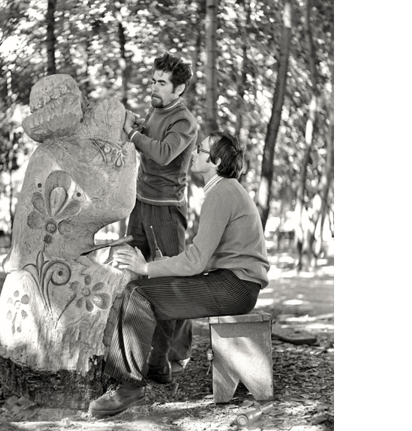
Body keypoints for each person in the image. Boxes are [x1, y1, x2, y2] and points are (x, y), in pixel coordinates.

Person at [88, 131, 271, 418]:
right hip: (233, 282)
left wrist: (146, 267)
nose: (194, 153)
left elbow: (197, 261)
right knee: (149, 289)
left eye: (200, 150)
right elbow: (203, 254)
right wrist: (165, 267)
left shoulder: (222, 192)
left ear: (216, 161)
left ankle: (128, 387)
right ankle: (153, 367)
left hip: (235, 286)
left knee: (139, 293)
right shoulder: (224, 190)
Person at [121, 52, 202, 381]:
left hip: (167, 209)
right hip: (141, 204)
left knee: (172, 284)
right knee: (132, 276)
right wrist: (139, 126)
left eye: (161, 83)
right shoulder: (157, 110)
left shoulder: (185, 121)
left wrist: (134, 136)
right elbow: (151, 138)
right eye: (153, 80)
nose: (153, 87)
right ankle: (129, 355)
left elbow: (165, 153)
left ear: (179, 89)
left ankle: (166, 359)